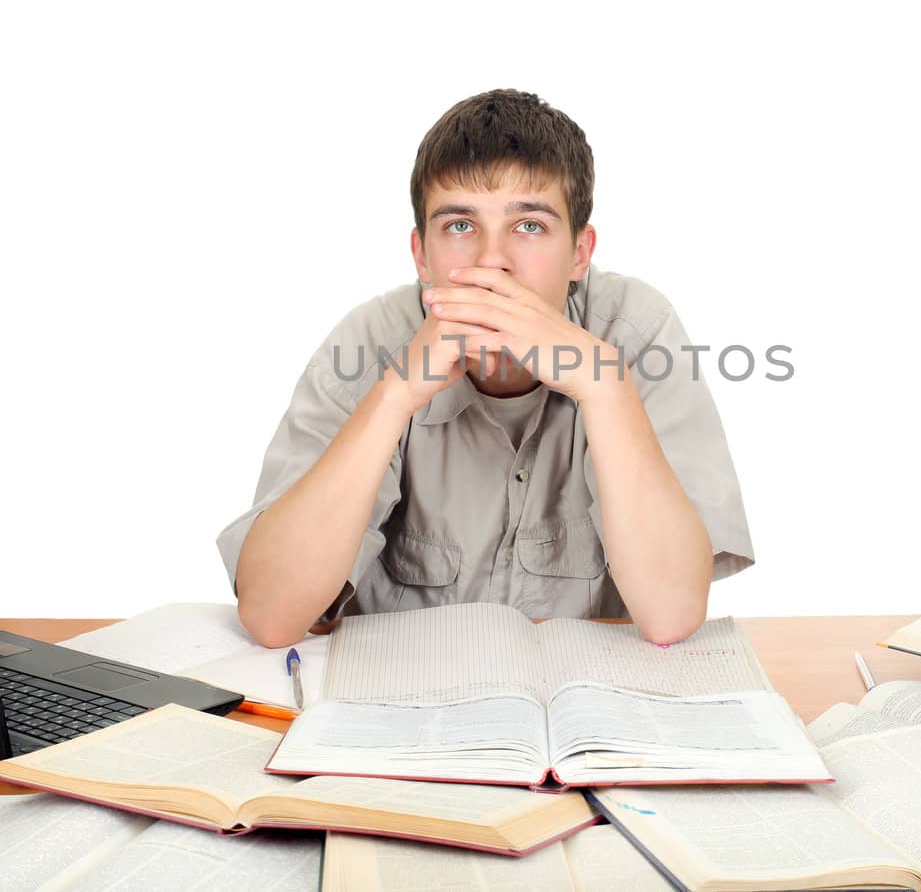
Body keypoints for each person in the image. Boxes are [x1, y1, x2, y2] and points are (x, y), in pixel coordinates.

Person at [217, 89, 752, 647]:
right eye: (459, 226)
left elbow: (671, 615)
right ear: (422, 255)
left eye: (529, 226)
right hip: (403, 711)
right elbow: (273, 617)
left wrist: (604, 387)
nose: (492, 260)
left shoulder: (636, 332)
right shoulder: (369, 340)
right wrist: (395, 396)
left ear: (580, 254)